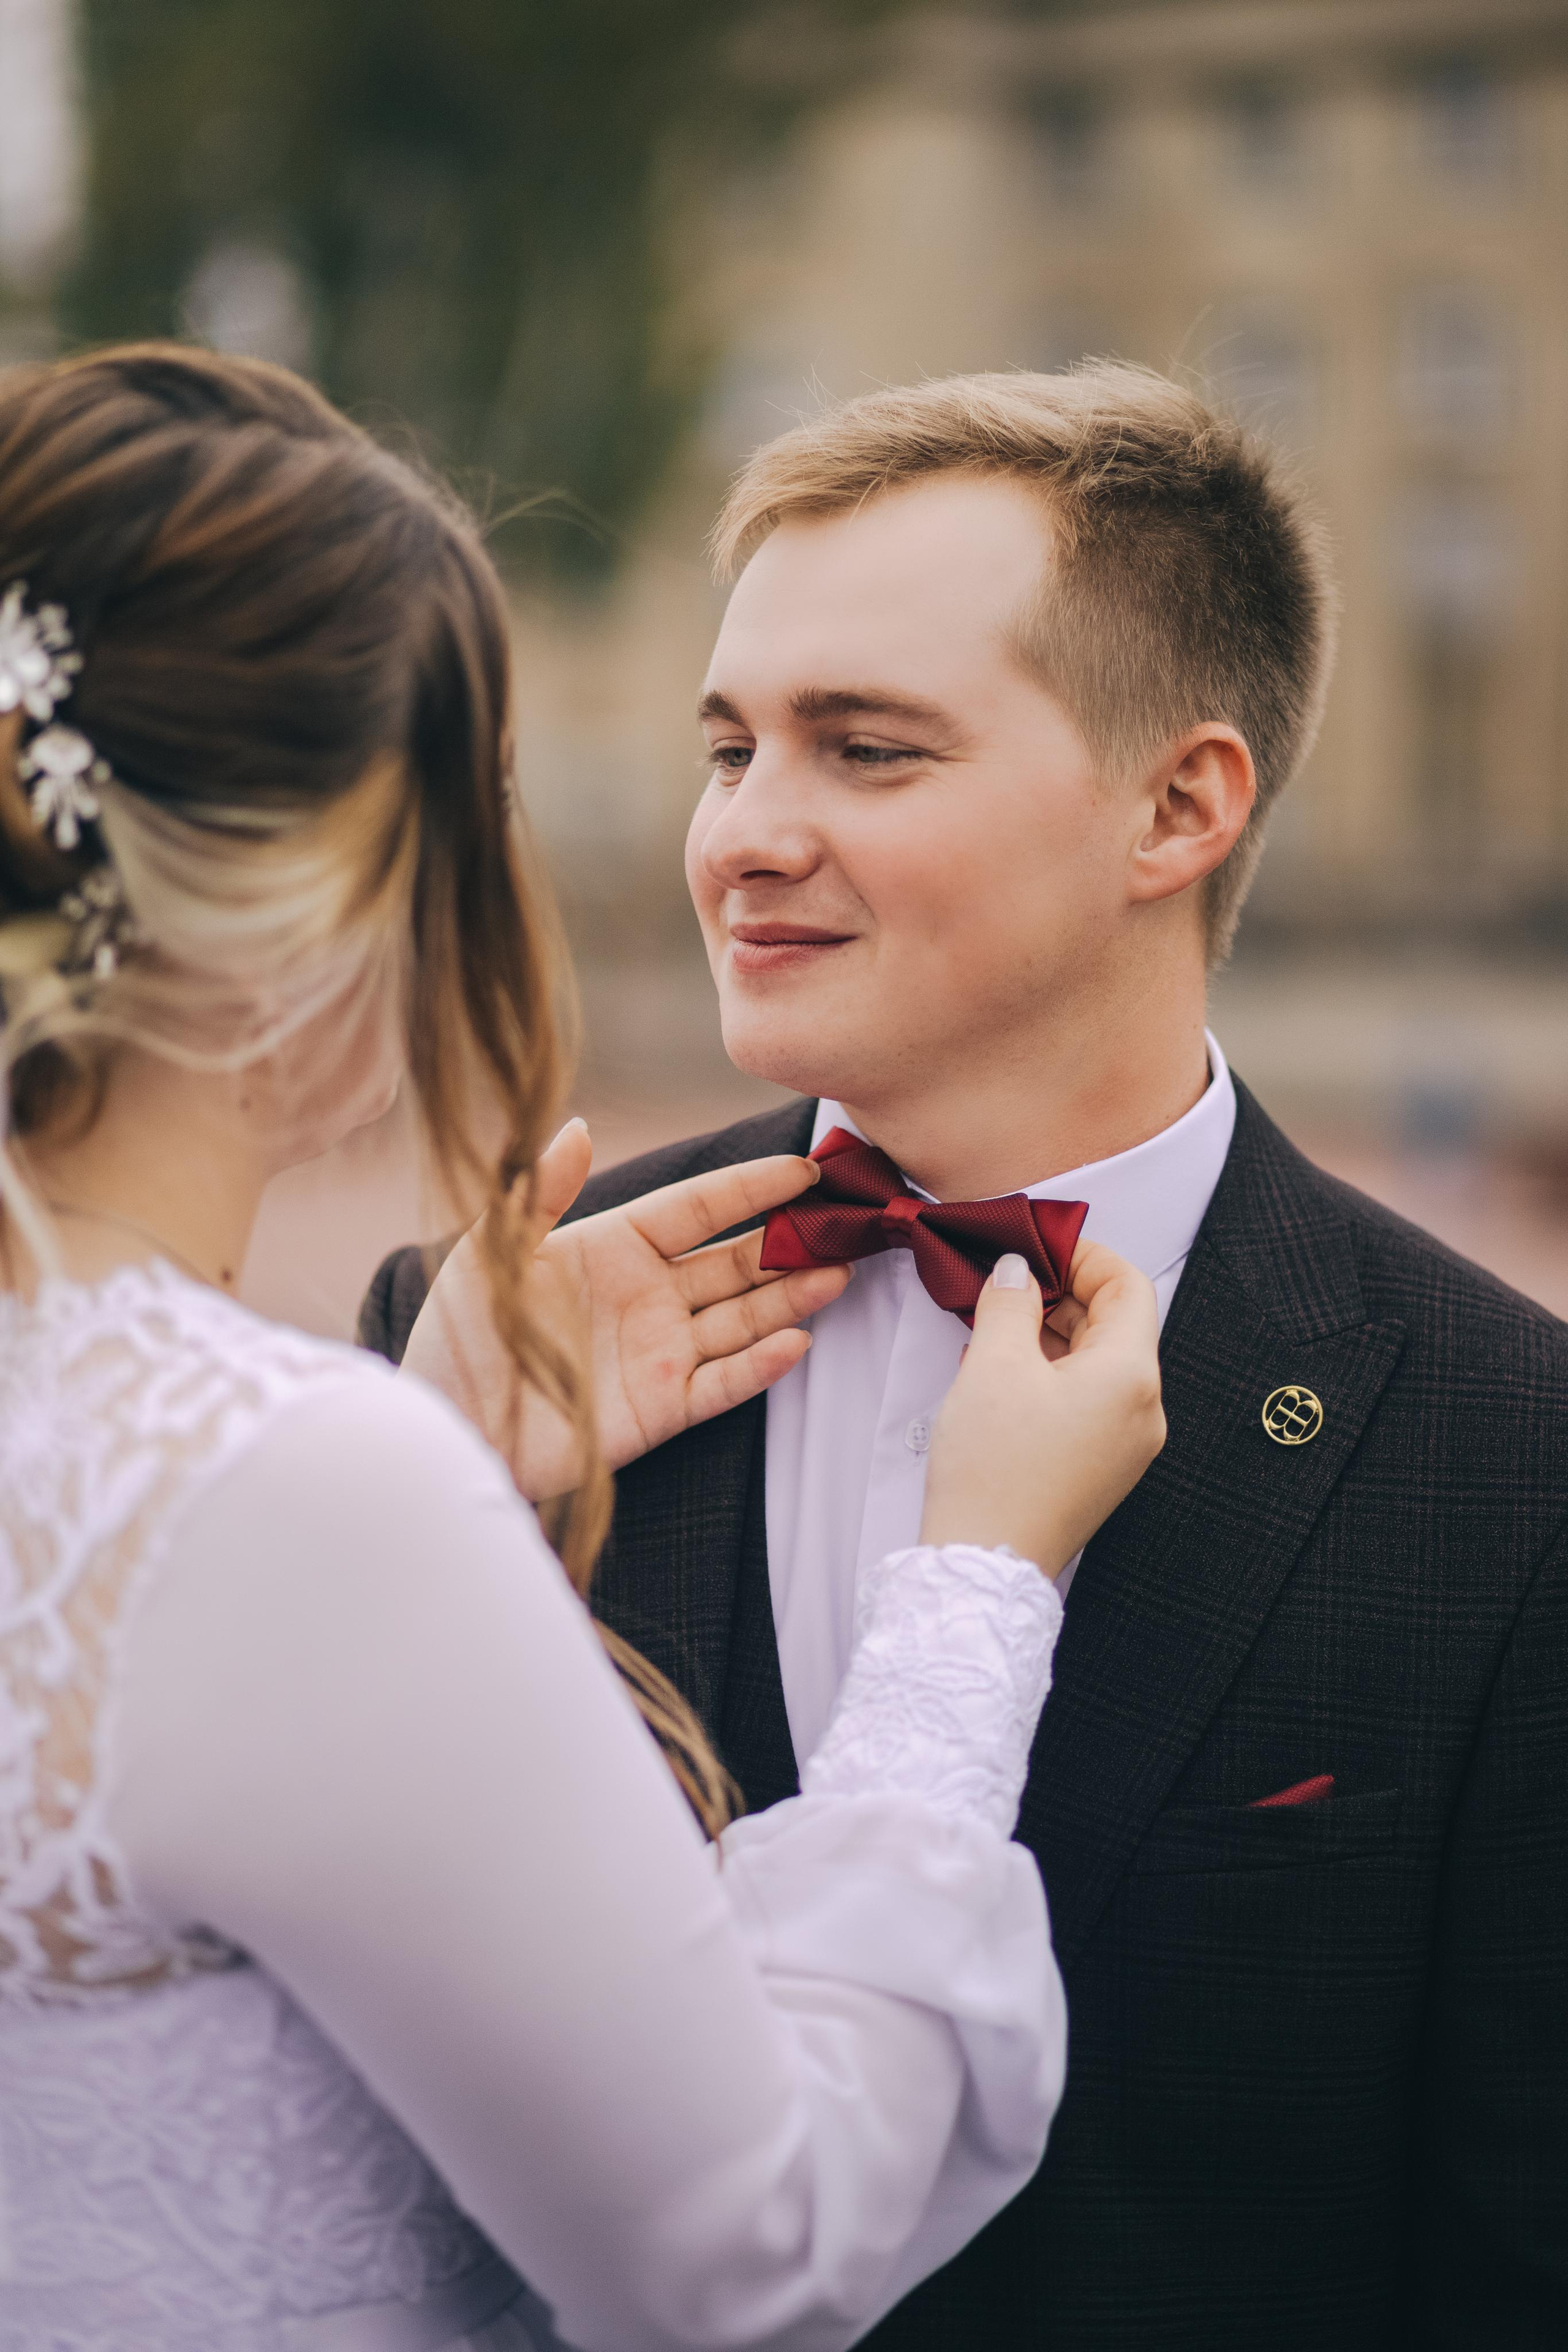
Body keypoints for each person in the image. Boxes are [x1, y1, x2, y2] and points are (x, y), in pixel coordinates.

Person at [368, 366, 1568, 2351]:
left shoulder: (1511, 1470)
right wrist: (438, 1510)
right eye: (731, 746)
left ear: (1179, 805)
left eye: (867, 751)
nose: (745, 835)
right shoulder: (477, 1348)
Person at [0, 345, 1170, 2352]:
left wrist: (434, 1453)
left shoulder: (279, 1460)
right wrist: (974, 1597)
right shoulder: (293, 1491)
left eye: (868, 749)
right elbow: (755, 2255)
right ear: (327, 885)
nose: (739, 841)